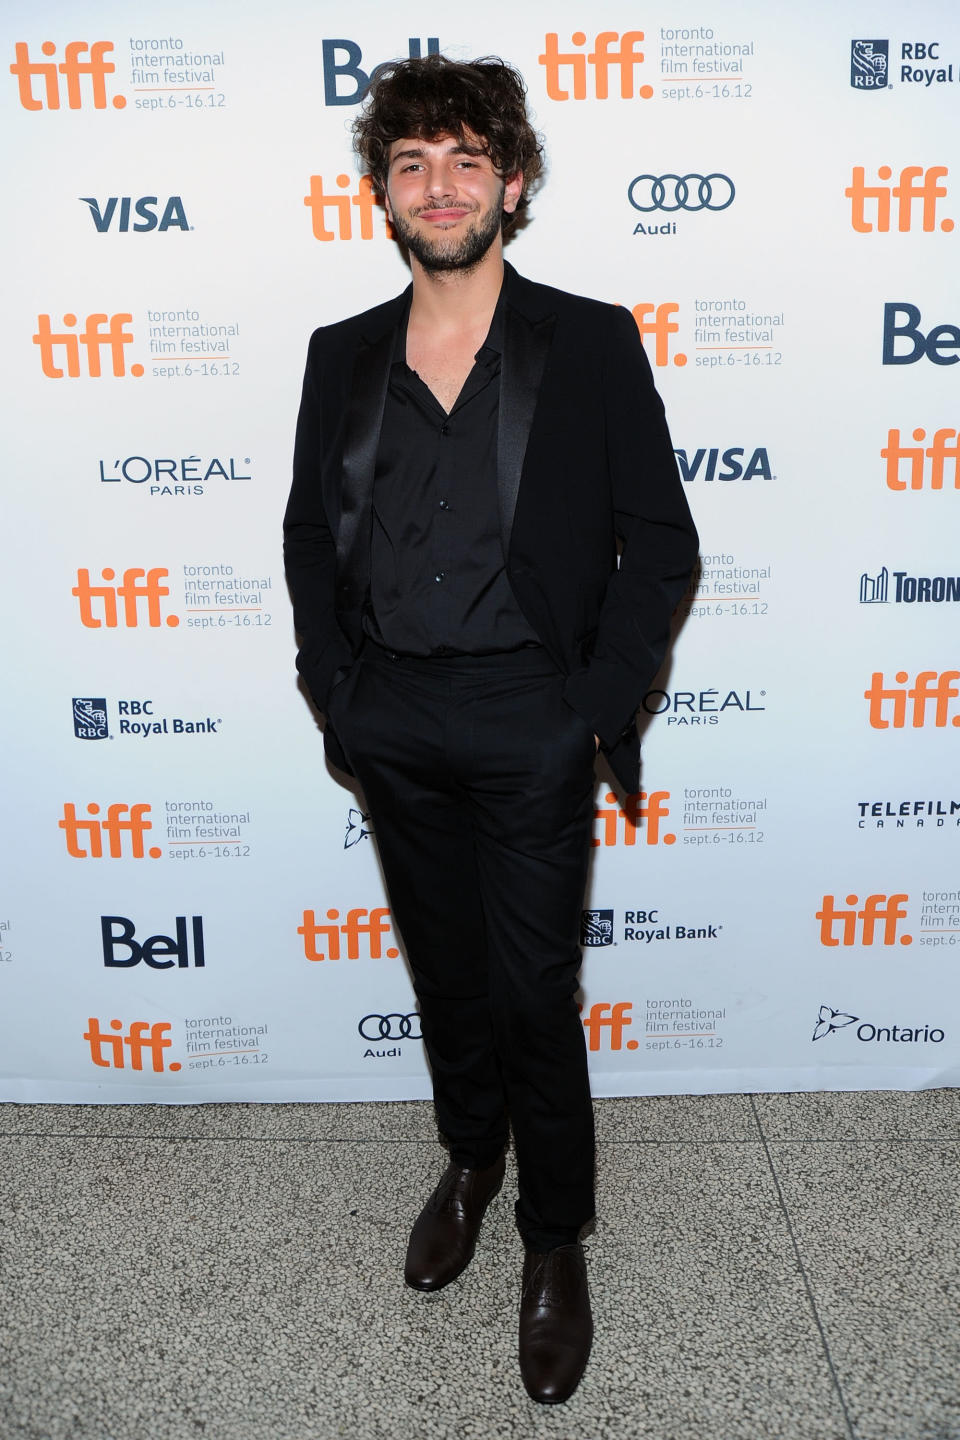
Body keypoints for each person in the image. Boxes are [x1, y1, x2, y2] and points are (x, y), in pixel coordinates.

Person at [283, 53, 698, 1404]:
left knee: (532, 995)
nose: (440, 184)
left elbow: (664, 546)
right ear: (383, 195)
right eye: (412, 164)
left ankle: (553, 1237)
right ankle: (471, 1154)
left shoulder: (587, 342)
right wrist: (336, 692)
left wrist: (586, 709)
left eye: (467, 160)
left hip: (532, 717)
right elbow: (307, 536)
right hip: (393, 716)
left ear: (510, 185)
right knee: (446, 973)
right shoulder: (340, 355)